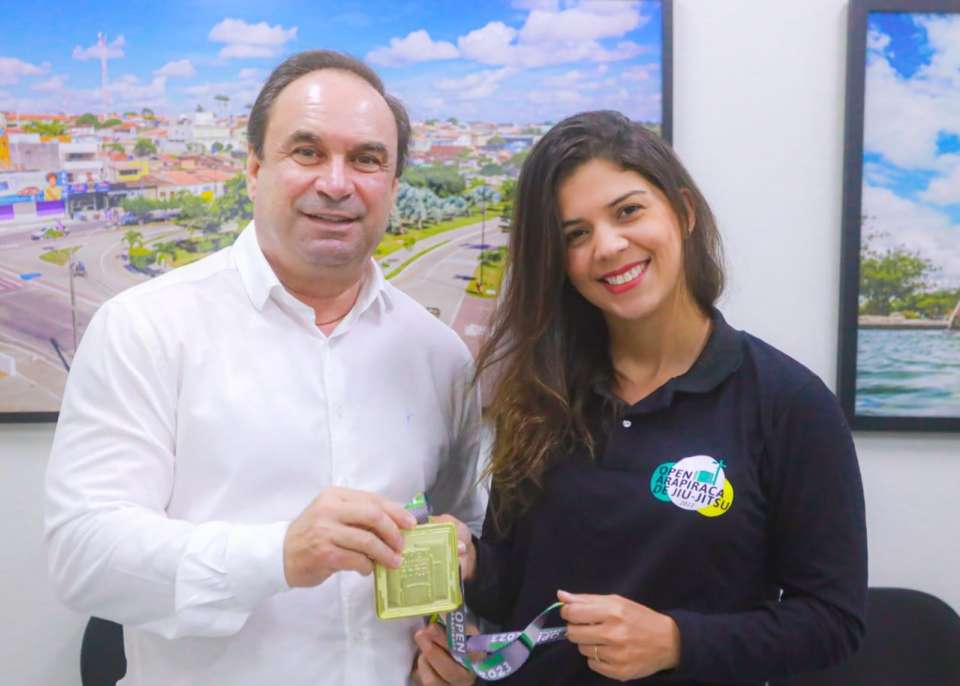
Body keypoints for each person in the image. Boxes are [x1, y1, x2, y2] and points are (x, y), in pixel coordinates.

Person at [46, 50, 485, 686]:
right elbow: (83, 555)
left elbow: (465, 532)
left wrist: (455, 638)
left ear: (392, 186)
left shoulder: (440, 354)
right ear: (254, 170)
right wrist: (278, 555)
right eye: (307, 152)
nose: (337, 183)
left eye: (367, 160)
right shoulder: (144, 328)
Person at [425, 110, 867, 685]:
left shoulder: (789, 404)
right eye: (575, 235)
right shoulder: (540, 396)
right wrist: (473, 562)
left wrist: (678, 642)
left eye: (628, 211)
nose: (608, 246)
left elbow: (832, 621)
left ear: (683, 212)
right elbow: (518, 588)